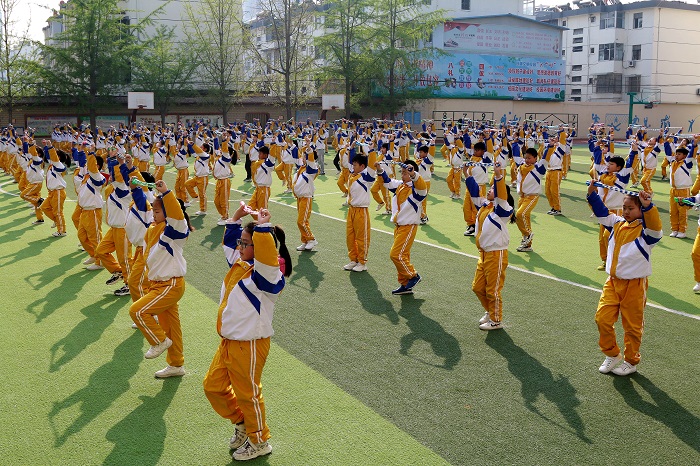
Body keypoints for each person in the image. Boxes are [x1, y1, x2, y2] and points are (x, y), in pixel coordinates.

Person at [203, 205, 289, 462]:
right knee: (213, 387)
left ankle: (260, 440)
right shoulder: (241, 263)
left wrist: (262, 228)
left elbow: (266, 259)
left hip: (250, 344)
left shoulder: (268, 276)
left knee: (248, 395)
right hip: (229, 342)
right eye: (241, 243)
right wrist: (238, 218)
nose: (240, 247)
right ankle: (242, 423)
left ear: (261, 248)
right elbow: (230, 243)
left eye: (246, 243)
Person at [587, 183, 662, 376]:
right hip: (612, 282)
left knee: (632, 326)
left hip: (635, 285)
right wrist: (592, 195)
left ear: (641, 210)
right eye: (625, 207)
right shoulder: (616, 223)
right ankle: (612, 354)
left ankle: (631, 361)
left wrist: (648, 206)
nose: (626, 211)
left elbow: (655, 227)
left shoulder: (647, 234)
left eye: (631, 208)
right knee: (602, 319)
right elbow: (603, 213)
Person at [129, 179, 191, 378]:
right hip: (159, 285)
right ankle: (176, 364)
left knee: (137, 311)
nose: (153, 214)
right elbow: (142, 202)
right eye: (153, 212)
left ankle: (158, 341)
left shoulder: (172, 232)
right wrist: (134, 187)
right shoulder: (153, 228)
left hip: (170, 284)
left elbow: (178, 217)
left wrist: (166, 193)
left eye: (157, 211)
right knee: (171, 327)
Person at [468, 162, 515, 330]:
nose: (489, 189)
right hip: (484, 254)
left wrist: (498, 176)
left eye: (493, 188)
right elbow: (474, 193)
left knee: (492, 290)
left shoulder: (503, 209)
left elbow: (501, 195)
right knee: (477, 287)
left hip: (496, 254)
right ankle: (489, 310)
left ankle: (496, 320)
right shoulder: (485, 206)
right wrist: (468, 175)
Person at [376, 160, 427, 294]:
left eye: (405, 173)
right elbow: (387, 182)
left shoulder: (416, 191)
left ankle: (414, 275)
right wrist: (380, 170)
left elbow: (422, 187)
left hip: (408, 226)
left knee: (396, 254)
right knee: (403, 256)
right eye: (402, 172)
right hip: (399, 226)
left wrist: (414, 174)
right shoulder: (400, 185)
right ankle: (405, 284)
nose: (402, 175)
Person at [343, 152, 377, 272]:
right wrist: (352, 150)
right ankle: (353, 260)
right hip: (351, 210)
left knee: (361, 238)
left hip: (361, 211)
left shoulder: (366, 177)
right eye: (353, 165)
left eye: (356, 165)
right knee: (350, 237)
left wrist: (372, 150)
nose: (353, 167)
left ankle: (362, 262)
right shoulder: (352, 175)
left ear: (362, 166)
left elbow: (372, 167)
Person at [513, 146, 547, 252]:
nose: (527, 160)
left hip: (532, 196)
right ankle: (527, 244)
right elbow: (515, 155)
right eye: (526, 158)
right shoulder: (522, 166)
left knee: (520, 214)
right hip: (522, 196)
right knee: (521, 218)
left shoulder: (538, 169)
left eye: (530, 158)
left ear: (535, 158)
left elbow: (545, 159)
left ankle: (528, 234)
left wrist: (549, 147)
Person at [293, 145, 319, 251]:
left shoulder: (311, 169)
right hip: (300, 198)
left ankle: (311, 239)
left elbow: (311, 162)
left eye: (304, 156)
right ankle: (305, 240)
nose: (302, 158)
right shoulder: (301, 169)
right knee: (302, 221)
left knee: (301, 221)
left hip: (306, 197)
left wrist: (309, 151)